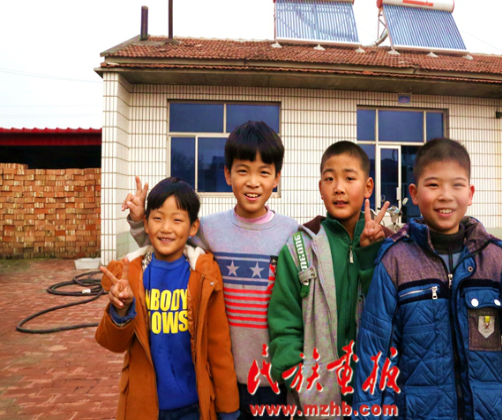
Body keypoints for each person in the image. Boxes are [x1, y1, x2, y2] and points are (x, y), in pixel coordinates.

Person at [352, 138, 502, 420]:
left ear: (470, 193)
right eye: (433, 185)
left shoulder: (494, 257)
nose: (446, 195)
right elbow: (374, 355)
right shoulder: (395, 261)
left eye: (457, 185)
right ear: (414, 194)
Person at [124, 121, 298, 418]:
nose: (253, 182)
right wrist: (140, 222)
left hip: (271, 376)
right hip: (219, 373)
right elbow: (167, 247)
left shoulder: (289, 232)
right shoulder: (209, 228)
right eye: (242, 171)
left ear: (277, 178)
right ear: (228, 174)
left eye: (263, 172)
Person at [96, 177, 239, 420]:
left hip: (195, 406)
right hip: (143, 406)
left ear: (193, 227)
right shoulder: (133, 275)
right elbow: (112, 343)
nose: (166, 228)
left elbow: (219, 347)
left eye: (177, 220)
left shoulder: (204, 276)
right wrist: (121, 308)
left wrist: (228, 408)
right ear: (146, 223)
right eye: (158, 218)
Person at [268, 140, 391, 413]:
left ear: (368, 186)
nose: (339, 188)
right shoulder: (299, 248)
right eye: (329, 179)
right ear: (320, 188)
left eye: (349, 178)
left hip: (376, 398)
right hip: (316, 402)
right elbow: (284, 322)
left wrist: (370, 255)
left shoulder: (391, 247)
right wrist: (297, 378)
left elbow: (391, 316)